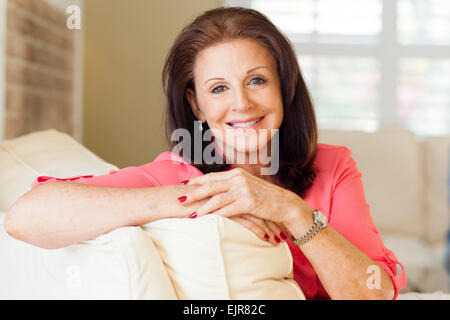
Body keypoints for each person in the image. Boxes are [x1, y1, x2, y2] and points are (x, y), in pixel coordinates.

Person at [4, 7, 406, 300]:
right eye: (218, 88)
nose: (242, 103)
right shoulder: (175, 175)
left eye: (257, 80)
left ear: (284, 88)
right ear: (196, 105)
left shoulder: (332, 166)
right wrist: (208, 199)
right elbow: (26, 217)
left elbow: (374, 292)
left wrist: (289, 209)